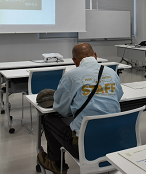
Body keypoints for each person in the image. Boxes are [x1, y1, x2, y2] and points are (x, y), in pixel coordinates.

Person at [37, 43, 123, 174]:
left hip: (85, 147)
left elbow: (62, 109)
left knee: (48, 119)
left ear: (74, 61)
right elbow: (118, 96)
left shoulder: (71, 76)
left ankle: (56, 163)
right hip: (115, 140)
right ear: (95, 55)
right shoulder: (111, 72)